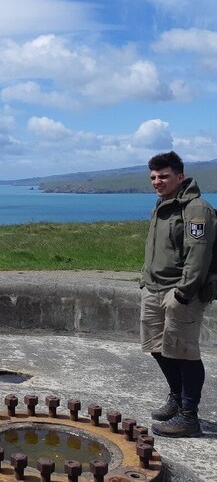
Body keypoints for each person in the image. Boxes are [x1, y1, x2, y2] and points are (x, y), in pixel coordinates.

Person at [140, 151, 217, 438]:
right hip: (154, 288)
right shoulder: (162, 205)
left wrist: (182, 293)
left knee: (184, 352)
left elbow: (198, 257)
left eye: (163, 176)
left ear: (180, 177)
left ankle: (189, 416)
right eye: (153, 177)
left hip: (181, 293)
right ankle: (175, 397)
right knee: (157, 347)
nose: (157, 182)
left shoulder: (196, 210)